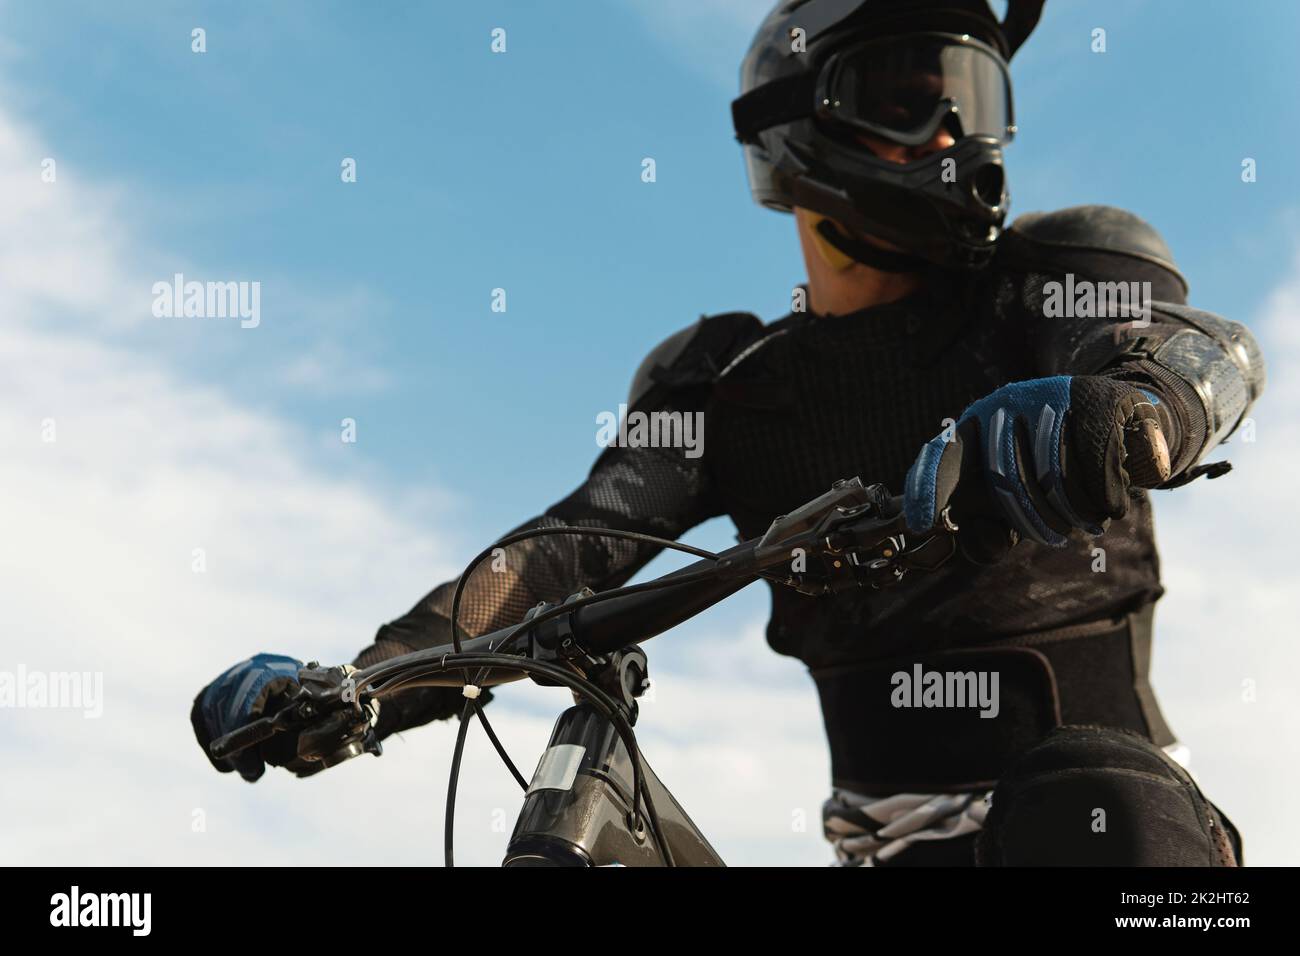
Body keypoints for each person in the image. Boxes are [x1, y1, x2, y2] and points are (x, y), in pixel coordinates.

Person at [192, 0, 1263, 866]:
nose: (949, 136)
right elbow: (571, 546)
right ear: (795, 124)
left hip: (1112, 823)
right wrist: (367, 678)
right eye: (906, 95)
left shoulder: (1058, 276)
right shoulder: (724, 381)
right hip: (873, 840)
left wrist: (1132, 404)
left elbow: (1185, 349)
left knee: (1096, 799)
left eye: (972, 103)